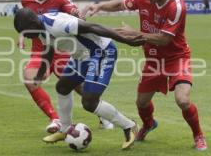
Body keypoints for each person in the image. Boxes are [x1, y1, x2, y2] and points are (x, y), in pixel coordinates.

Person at [82, 0, 207, 151]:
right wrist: (99, 6)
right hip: (153, 60)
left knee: (183, 100)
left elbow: (165, 39)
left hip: (177, 58)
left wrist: (136, 33)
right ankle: (148, 124)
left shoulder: (176, 7)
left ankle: (198, 135)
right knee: (141, 103)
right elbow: (120, 4)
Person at [14, 8, 141, 149]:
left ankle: (130, 126)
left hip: (100, 52)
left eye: (25, 32)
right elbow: (49, 50)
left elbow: (93, 27)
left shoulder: (57, 24)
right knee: (62, 87)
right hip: (81, 57)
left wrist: (126, 40)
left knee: (89, 102)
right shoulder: (40, 26)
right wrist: (39, 75)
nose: (25, 36)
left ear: (32, 24)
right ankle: (65, 129)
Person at [21, 0, 112, 134]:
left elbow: (73, 12)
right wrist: (21, 36)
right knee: (29, 79)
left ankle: (102, 115)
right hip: (40, 50)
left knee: (78, 87)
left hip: (62, 50)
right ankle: (55, 119)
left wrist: (78, 15)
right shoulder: (26, 1)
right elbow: (26, 23)